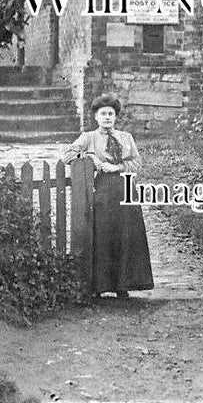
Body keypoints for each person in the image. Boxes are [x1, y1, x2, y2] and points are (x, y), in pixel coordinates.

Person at [62, 92, 154, 297]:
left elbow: (136, 163)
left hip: (126, 189)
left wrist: (118, 167)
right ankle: (100, 286)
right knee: (104, 235)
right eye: (103, 114)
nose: (107, 118)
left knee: (126, 235)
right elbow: (67, 156)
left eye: (111, 114)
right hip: (104, 191)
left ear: (115, 116)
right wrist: (89, 157)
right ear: (95, 117)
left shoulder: (126, 137)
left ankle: (123, 285)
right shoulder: (89, 137)